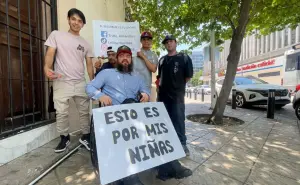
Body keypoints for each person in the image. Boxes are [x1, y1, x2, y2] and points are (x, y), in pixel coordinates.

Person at [86, 45, 192, 185]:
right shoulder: (106, 74)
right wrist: (100, 95)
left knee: (158, 134)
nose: (125, 59)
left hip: (134, 118)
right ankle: (129, 177)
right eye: (122, 56)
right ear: (117, 59)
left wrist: (145, 95)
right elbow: (89, 87)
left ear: (131, 59)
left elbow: (145, 90)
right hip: (114, 121)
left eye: (128, 56)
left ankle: (169, 167)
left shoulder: (137, 77)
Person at [44, 8, 94, 153]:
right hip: (62, 81)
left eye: (80, 21)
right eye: (73, 19)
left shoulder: (85, 43)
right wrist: (46, 68)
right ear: (68, 19)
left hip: (80, 82)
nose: (76, 23)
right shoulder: (57, 35)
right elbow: (50, 53)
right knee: (61, 112)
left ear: (83, 25)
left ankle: (85, 135)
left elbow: (89, 65)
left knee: (85, 112)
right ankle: (64, 138)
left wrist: (93, 83)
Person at [157, 35, 194, 156]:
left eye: (171, 41)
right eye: (166, 42)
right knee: (164, 121)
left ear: (176, 43)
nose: (169, 44)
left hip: (177, 97)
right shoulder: (162, 60)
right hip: (162, 97)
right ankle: (167, 143)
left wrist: (177, 86)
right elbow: (159, 77)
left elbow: (187, 76)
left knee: (178, 120)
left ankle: (182, 144)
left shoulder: (184, 57)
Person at [134, 31, 159, 100]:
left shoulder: (153, 55)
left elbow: (153, 69)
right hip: (133, 85)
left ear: (151, 41)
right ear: (141, 41)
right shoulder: (134, 52)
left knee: (144, 107)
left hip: (146, 87)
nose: (146, 41)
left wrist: (143, 56)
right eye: (144, 39)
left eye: (148, 39)